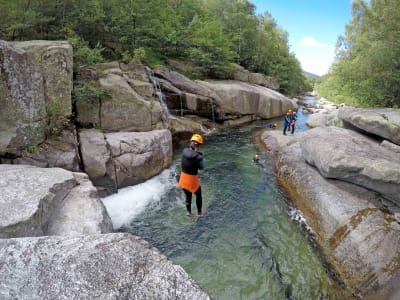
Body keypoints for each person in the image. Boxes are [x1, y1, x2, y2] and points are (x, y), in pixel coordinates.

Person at [178, 134, 204, 217]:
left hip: (183, 179)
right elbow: (202, 168)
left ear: (191, 143)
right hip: (192, 180)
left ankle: (189, 212)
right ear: (199, 145)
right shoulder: (199, 157)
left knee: (188, 195)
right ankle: (199, 213)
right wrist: (199, 156)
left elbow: (189, 156)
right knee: (198, 195)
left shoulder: (184, 151)